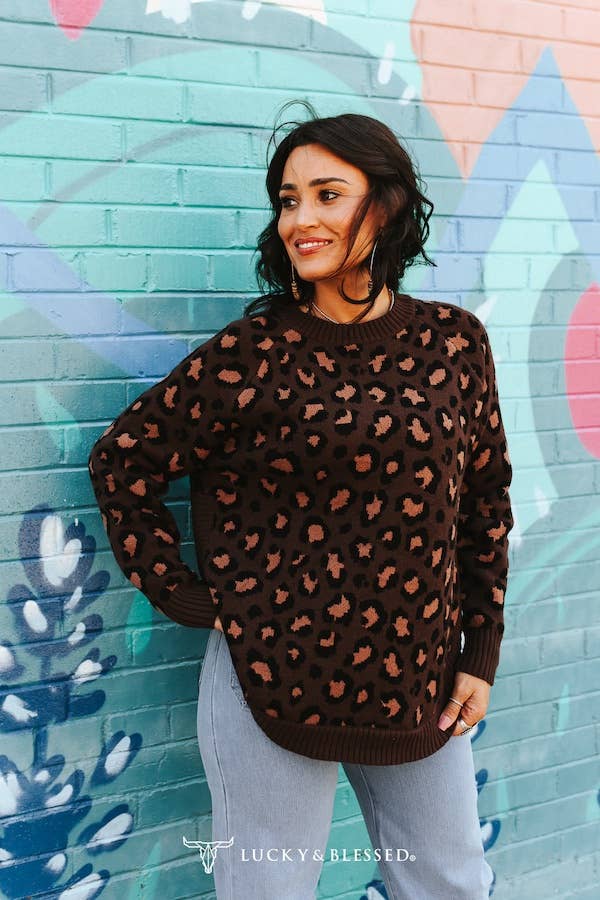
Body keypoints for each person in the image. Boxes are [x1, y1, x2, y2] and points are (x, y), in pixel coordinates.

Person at [87, 107, 514, 900]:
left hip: (418, 676)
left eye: (327, 194)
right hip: (267, 677)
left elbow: (484, 503)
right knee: (269, 890)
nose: (300, 220)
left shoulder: (455, 343)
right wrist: (182, 593)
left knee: (452, 882)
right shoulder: (252, 354)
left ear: (385, 206)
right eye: (288, 200)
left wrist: (479, 649)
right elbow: (124, 460)